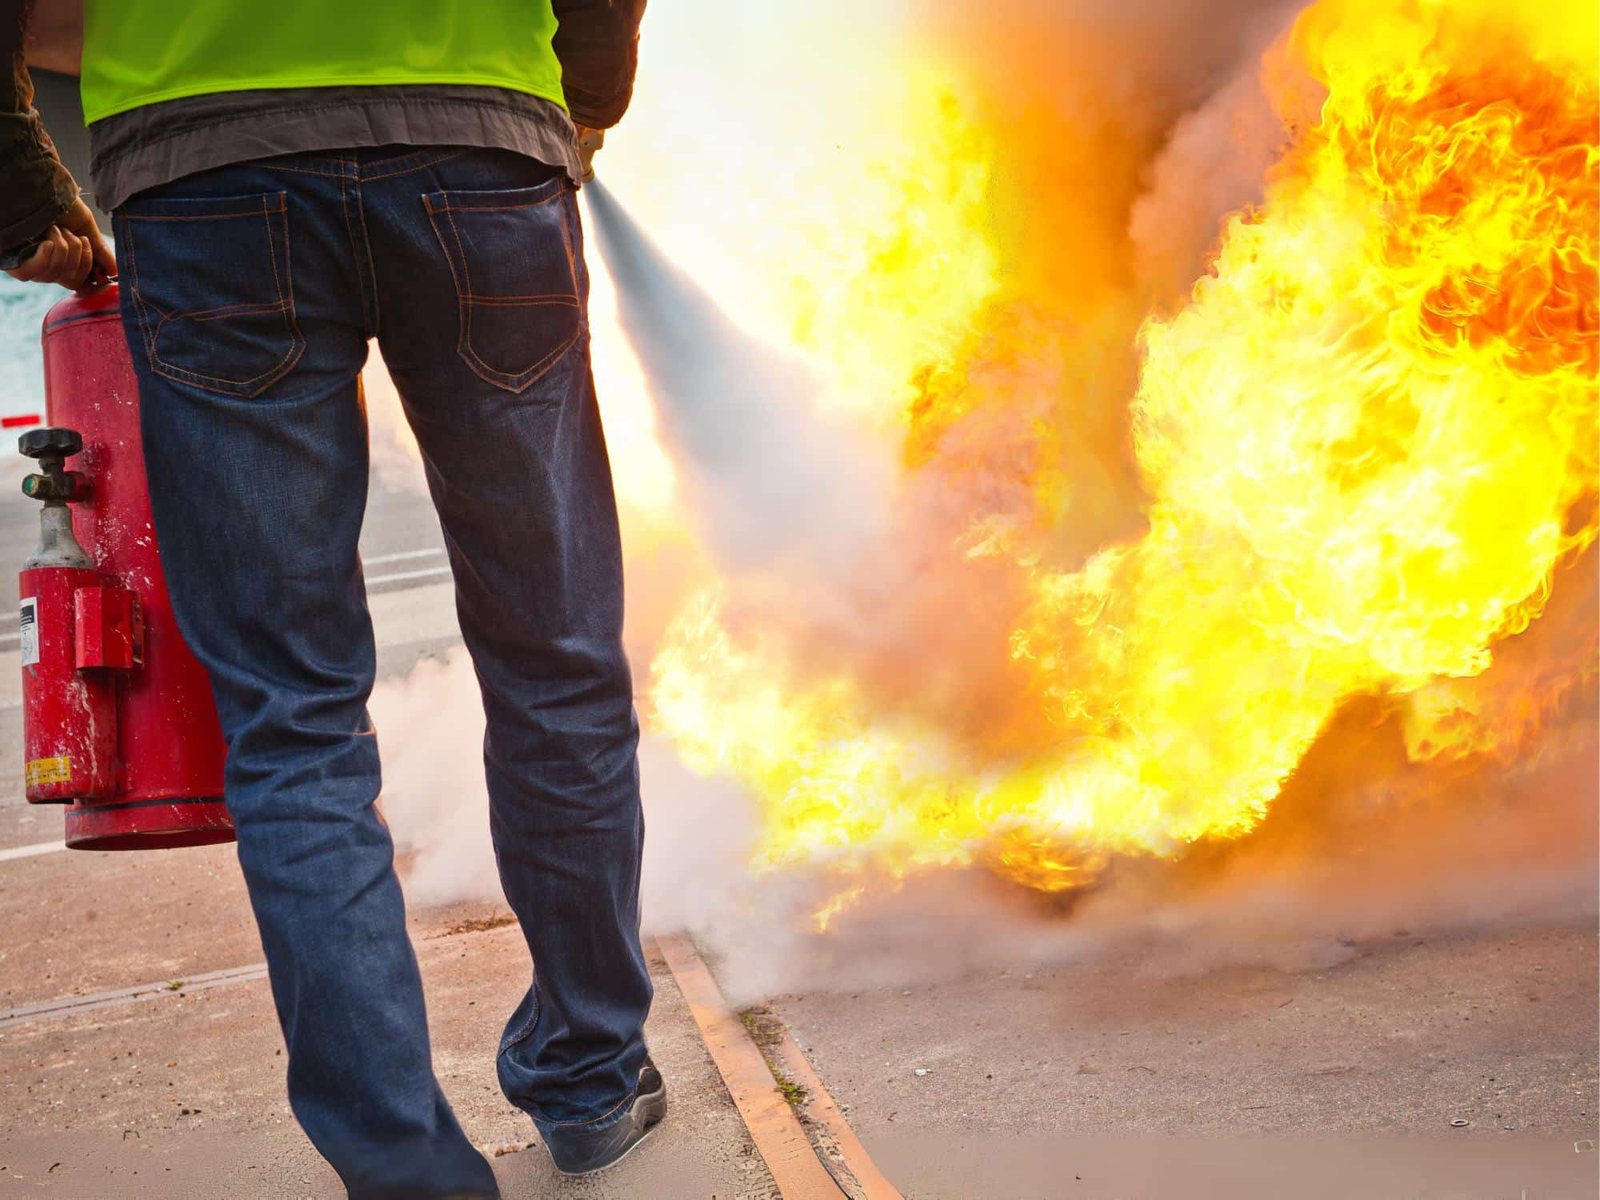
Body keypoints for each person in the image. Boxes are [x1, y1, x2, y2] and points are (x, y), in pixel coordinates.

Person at [1, 2, 656, 1195]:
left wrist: (19, 185)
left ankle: (409, 1173)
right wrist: (585, 96)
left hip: (203, 166)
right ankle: (592, 1075)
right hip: (476, 139)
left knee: (292, 719)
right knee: (554, 655)